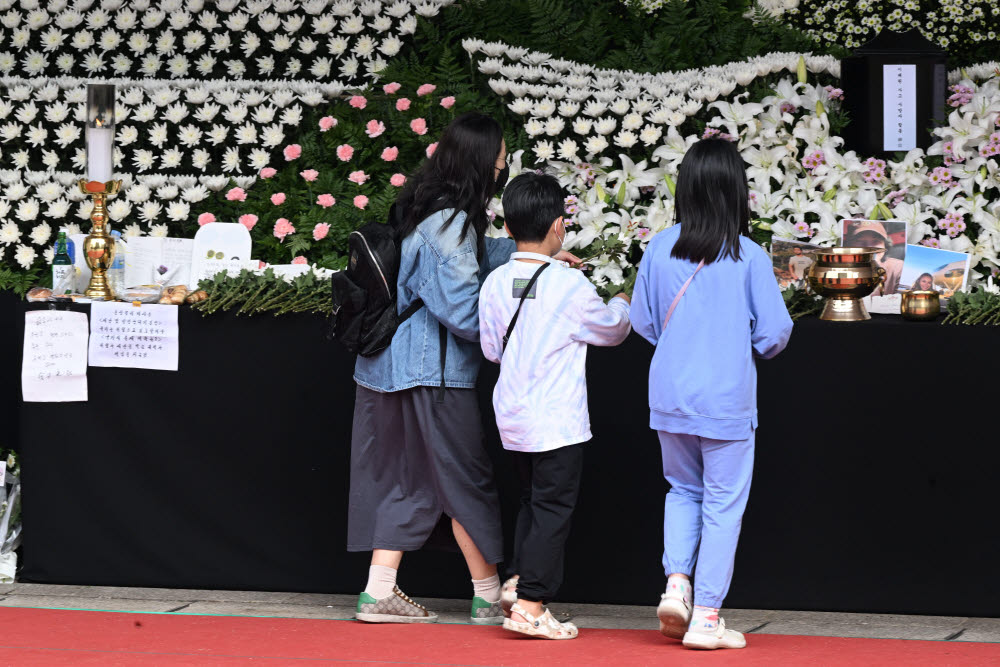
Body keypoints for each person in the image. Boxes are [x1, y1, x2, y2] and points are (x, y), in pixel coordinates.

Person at [349, 112, 582, 625]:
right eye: (499, 162)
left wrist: (532, 256)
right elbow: (460, 309)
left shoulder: (428, 206)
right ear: (481, 163)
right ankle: (488, 594)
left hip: (389, 368)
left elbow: (480, 253)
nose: (502, 171)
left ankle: (378, 591)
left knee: (412, 479)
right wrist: (517, 316)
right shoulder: (450, 221)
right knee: (467, 478)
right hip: (431, 372)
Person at [630, 139, 793, 650]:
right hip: (726, 400)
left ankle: (676, 584)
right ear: (735, 192)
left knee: (681, 490)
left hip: (671, 393)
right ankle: (706, 617)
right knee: (723, 503)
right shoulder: (750, 257)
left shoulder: (659, 247)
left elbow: (642, 321)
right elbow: (773, 335)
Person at [479, 172, 632, 639]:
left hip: (512, 414)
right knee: (552, 508)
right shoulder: (568, 285)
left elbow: (489, 350)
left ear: (507, 228)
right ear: (559, 226)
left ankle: (519, 581)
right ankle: (530, 605)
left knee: (530, 500)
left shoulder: (495, 281)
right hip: (556, 418)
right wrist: (622, 301)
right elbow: (611, 330)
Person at [844, 221, 903, 295]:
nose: (869, 248)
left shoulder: (899, 268)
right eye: (860, 241)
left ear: (885, 245)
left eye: (876, 241)